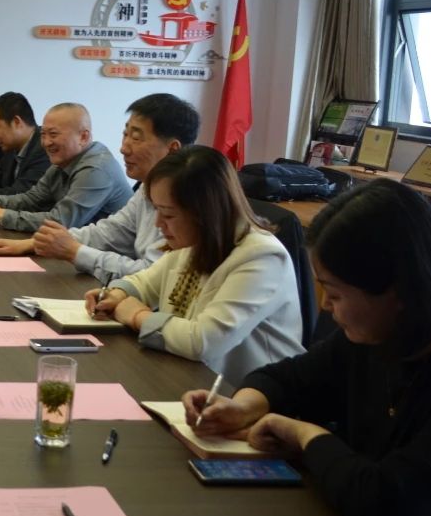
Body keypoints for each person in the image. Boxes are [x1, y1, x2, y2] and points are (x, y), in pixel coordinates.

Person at [184, 179, 431, 516]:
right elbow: (291, 378)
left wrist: (304, 435)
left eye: (334, 293)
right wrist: (244, 406)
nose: (324, 307)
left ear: (398, 292)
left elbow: (386, 504)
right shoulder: (381, 335)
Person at [87, 145, 304, 385]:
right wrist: (117, 294)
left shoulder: (262, 258)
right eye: (157, 210)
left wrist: (138, 316)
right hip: (191, 379)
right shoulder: (196, 241)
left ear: (205, 213)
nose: (158, 223)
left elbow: (203, 342)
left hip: (245, 396)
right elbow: (145, 282)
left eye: (168, 214)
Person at [0, 93, 200, 283]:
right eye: (125, 135)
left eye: (136, 138)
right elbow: (108, 232)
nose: (123, 148)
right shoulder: (147, 187)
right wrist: (33, 243)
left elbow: (154, 276)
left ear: (172, 149)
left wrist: (75, 252)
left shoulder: (188, 197)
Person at [0, 102, 131, 231]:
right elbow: (31, 199)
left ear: (83, 137)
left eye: (53, 134)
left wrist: (0, 215)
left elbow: (61, 222)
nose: (46, 143)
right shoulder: (63, 161)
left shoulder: (96, 169)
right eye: (43, 134)